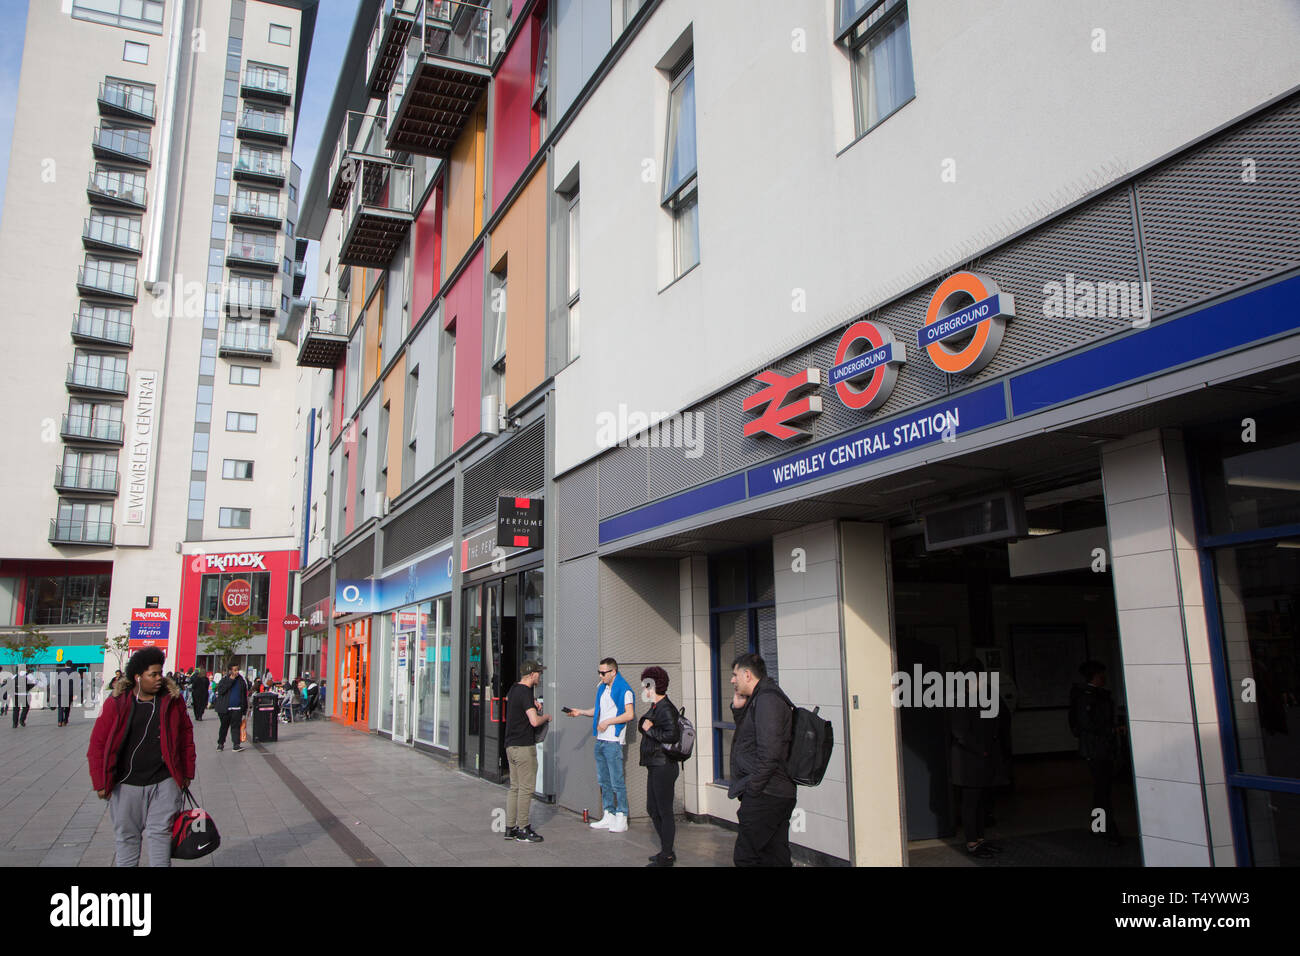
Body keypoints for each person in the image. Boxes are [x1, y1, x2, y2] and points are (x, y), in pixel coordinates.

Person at [86, 647, 195, 867]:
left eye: (160, 673)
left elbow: (186, 738)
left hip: (164, 782)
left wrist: (187, 773)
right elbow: (97, 745)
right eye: (153, 674)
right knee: (127, 838)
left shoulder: (172, 701)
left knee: (160, 834)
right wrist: (100, 782)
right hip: (126, 785)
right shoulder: (117, 703)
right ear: (138, 677)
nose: (159, 679)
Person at [728, 652, 796, 867]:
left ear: (747, 675)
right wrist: (739, 711)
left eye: (735, 675)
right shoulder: (761, 698)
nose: (732, 680)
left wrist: (753, 790)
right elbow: (749, 740)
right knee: (774, 857)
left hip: (767, 793)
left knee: (746, 857)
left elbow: (770, 751)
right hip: (772, 792)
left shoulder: (767, 699)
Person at [565, 657, 635, 832]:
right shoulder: (603, 689)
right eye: (599, 672)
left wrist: (608, 722)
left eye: (603, 673)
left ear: (614, 672)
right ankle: (608, 814)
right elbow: (598, 710)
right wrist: (580, 712)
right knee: (604, 780)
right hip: (601, 739)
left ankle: (621, 816)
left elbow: (629, 714)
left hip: (613, 740)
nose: (601, 676)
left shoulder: (625, 689)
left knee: (616, 780)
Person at [949, 659, 1007, 858]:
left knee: (981, 802)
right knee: (971, 803)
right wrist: (981, 750)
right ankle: (972, 842)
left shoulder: (982, 696)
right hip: (969, 760)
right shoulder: (959, 699)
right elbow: (960, 732)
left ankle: (980, 839)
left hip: (982, 758)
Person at [1070, 660, 1123, 845]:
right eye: (1102, 674)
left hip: (1099, 748)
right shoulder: (1089, 697)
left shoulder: (1090, 695)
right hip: (1098, 748)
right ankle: (1104, 828)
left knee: (1102, 790)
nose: (1104, 678)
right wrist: (1110, 731)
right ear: (1095, 676)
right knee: (1102, 791)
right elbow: (1087, 723)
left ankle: (1099, 826)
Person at [503, 660, 552, 843]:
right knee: (526, 788)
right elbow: (533, 722)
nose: (540, 676)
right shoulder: (525, 691)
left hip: (510, 746)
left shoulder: (515, 689)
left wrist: (531, 703)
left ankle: (510, 828)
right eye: (538, 673)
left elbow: (514, 702)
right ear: (532, 675)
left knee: (514, 787)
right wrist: (545, 716)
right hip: (524, 747)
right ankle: (523, 828)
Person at [637, 666, 681, 866]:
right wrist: (647, 726)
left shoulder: (666, 708)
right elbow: (644, 725)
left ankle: (667, 855)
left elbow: (672, 736)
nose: (643, 690)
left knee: (663, 810)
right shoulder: (656, 706)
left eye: (645, 685)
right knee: (652, 808)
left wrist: (651, 729)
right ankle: (666, 850)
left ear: (652, 686)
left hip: (664, 765)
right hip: (655, 764)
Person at [213, 663, 251, 752]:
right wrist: (230, 680)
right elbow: (221, 691)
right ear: (230, 671)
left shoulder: (241, 681)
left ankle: (236, 744)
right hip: (225, 709)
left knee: (236, 727)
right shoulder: (224, 680)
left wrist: (244, 710)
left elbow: (243, 695)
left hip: (237, 709)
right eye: (234, 670)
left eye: (237, 669)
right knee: (224, 727)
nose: (236, 672)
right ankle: (220, 744)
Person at [55, 660, 77, 726]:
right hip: (69, 692)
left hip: (61, 692)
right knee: (67, 707)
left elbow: (57, 683)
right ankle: (65, 720)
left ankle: (59, 721)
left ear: (65, 664)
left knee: (60, 707)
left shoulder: (60, 672)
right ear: (72, 665)